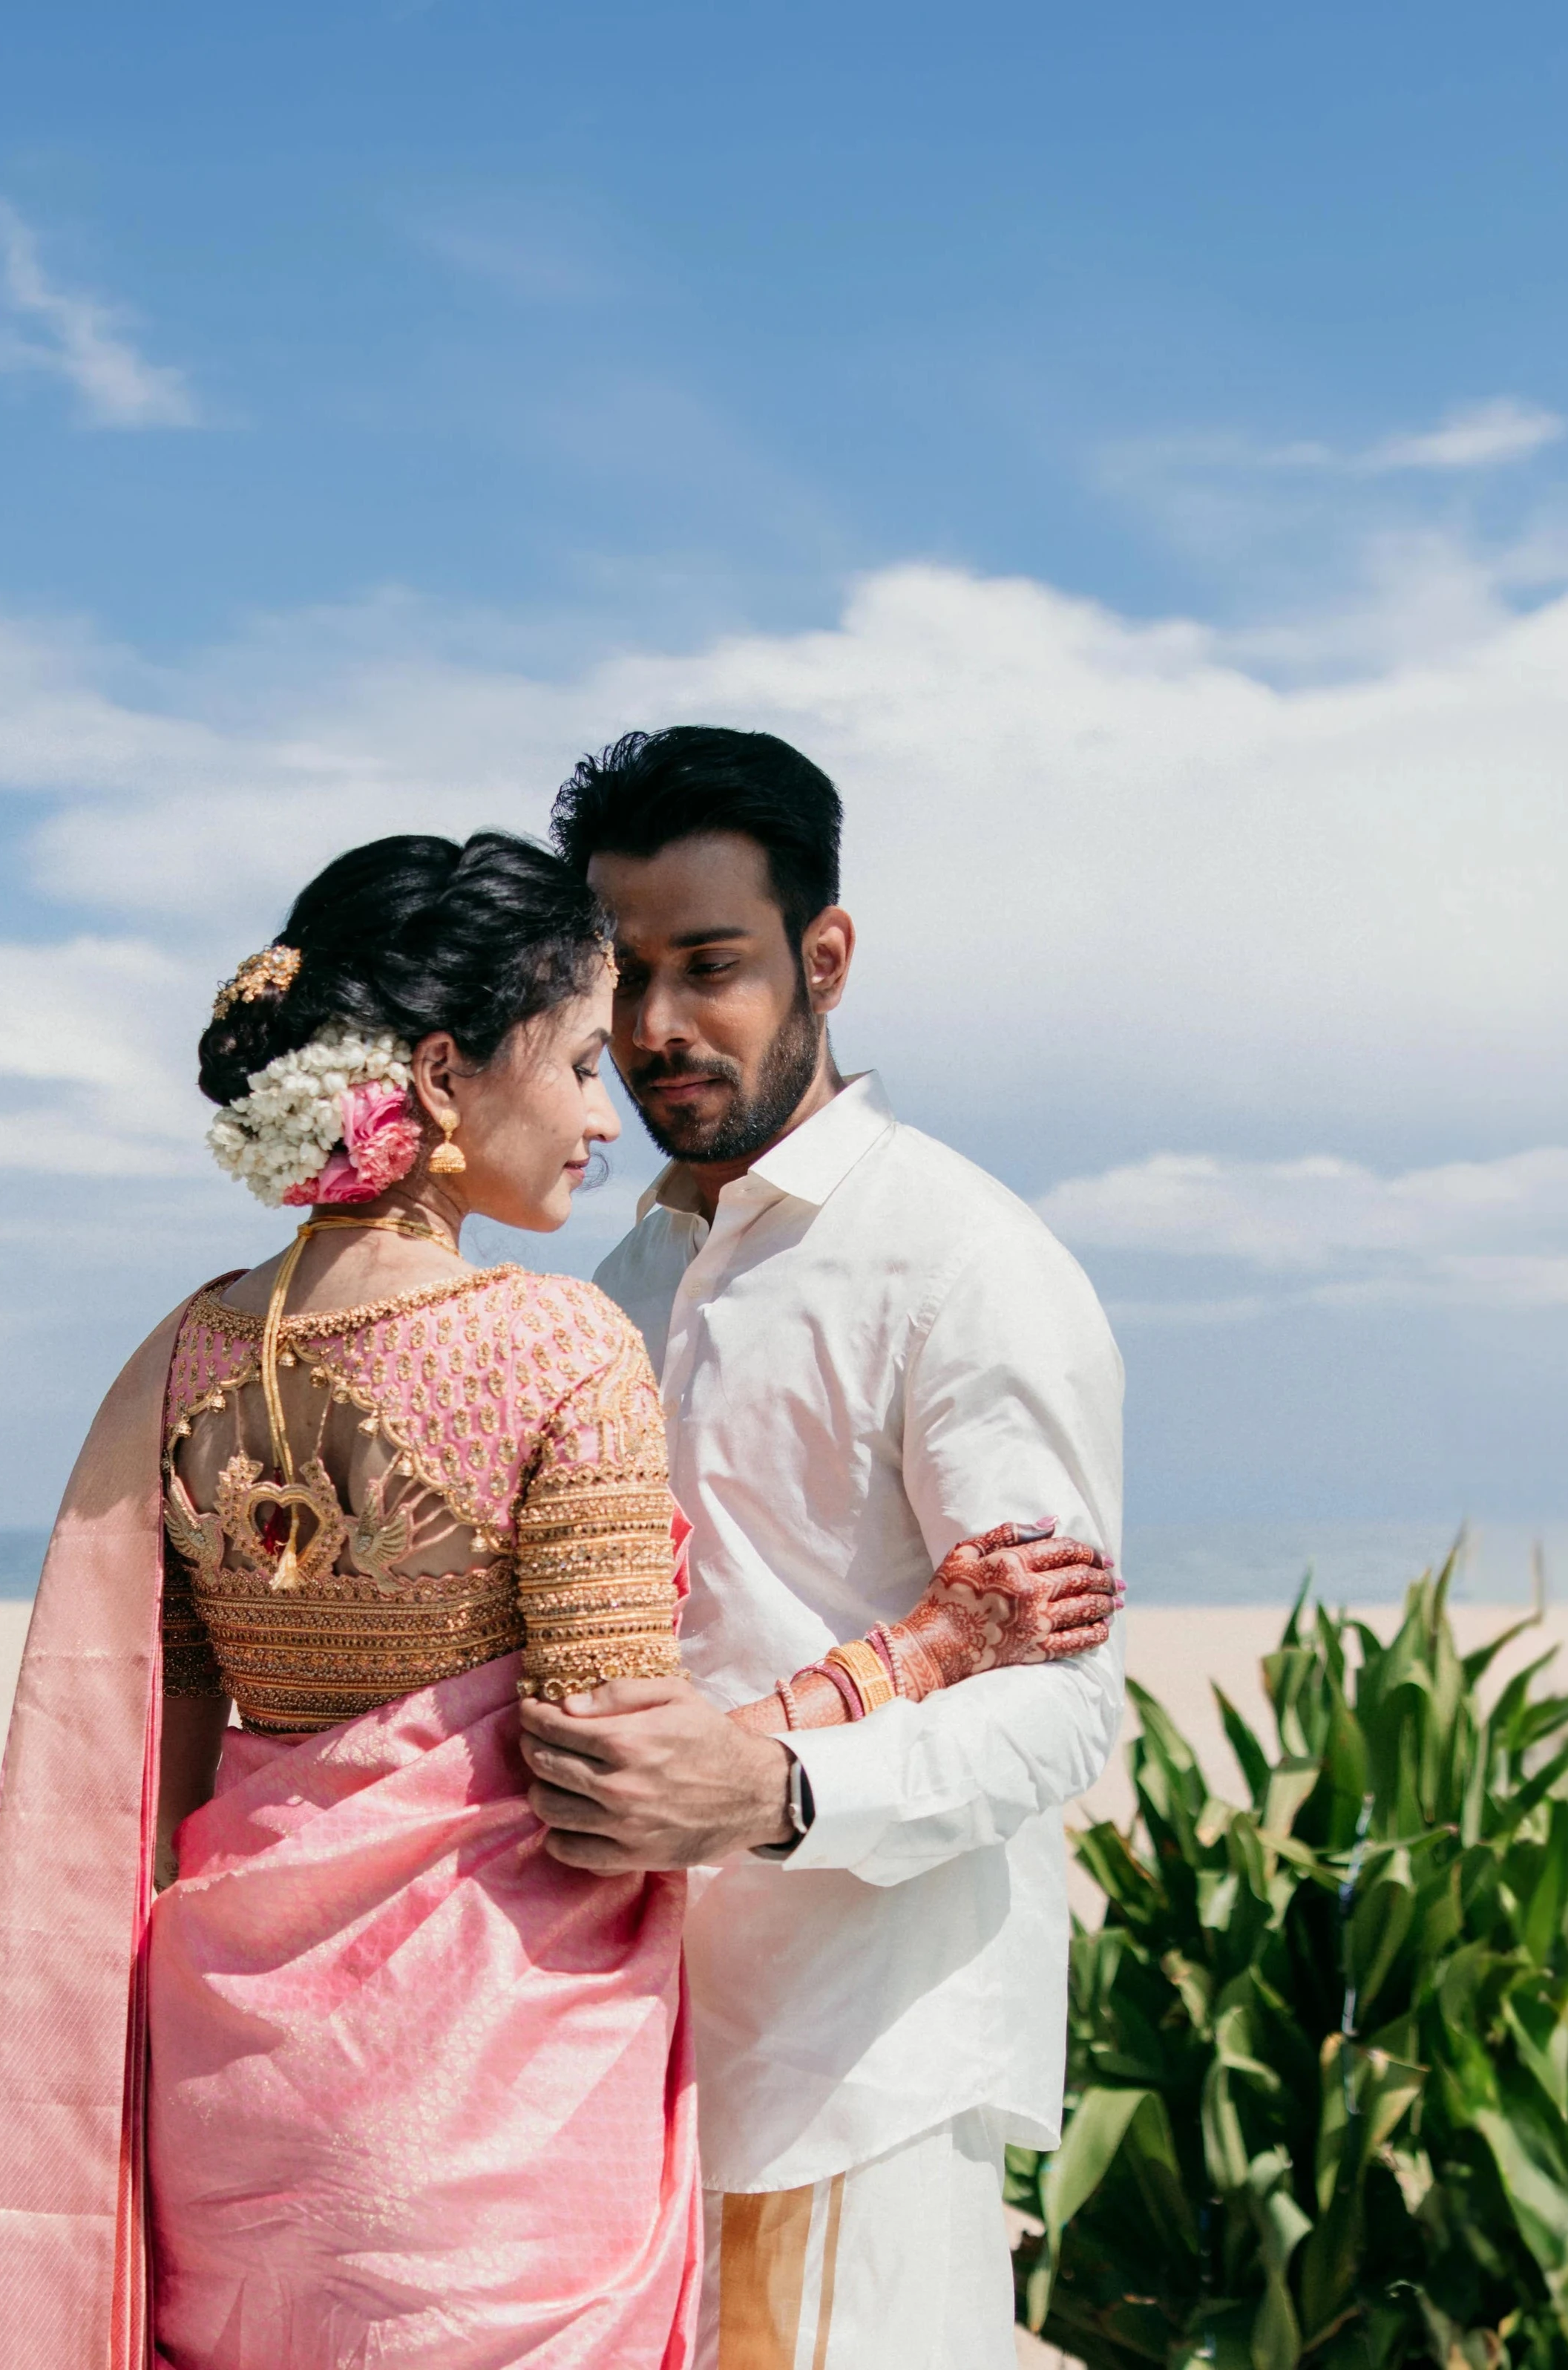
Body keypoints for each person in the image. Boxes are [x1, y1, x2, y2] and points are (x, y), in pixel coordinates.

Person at [0, 830, 1118, 2370]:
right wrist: (923, 1650)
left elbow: (159, 1759)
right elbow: (613, 1768)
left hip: (234, 2070)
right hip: (485, 2104)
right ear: (441, 1078)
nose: (604, 1104)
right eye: (575, 1059)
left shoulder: (187, 1353)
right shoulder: (556, 1340)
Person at [521, 730, 1126, 2370]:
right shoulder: (617, 1287)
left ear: (825, 959)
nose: (656, 1027)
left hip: (858, 2062)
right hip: (616, 2057)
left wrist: (773, 1794)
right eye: (624, 975)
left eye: (710, 965)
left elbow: (1068, 1707)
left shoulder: (962, 1263)